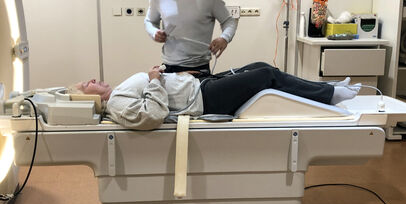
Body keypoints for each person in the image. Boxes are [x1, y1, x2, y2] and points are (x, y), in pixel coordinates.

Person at [76, 62, 360, 130]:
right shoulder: (116, 104)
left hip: (201, 86)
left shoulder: (118, 92)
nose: (92, 79)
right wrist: (154, 80)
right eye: (87, 84)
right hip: (204, 99)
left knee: (262, 66)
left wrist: (175, 75)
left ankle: (327, 88)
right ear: (90, 100)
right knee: (265, 76)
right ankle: (330, 95)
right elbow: (151, 115)